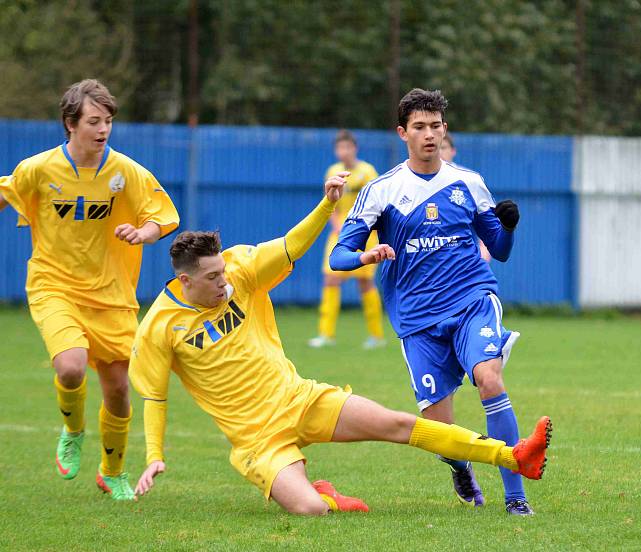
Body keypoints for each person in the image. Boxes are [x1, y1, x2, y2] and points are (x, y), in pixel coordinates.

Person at [128, 173, 550, 515]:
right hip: (258, 440)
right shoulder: (160, 325)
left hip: (301, 400)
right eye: (212, 278)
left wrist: (326, 205)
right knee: (311, 510)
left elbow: (292, 245)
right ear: (185, 281)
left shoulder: (240, 268)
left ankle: (514, 457)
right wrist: (154, 455)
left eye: (222, 272)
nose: (223, 282)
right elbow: (155, 398)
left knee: (400, 425)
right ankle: (325, 493)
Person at [330, 89, 542, 515]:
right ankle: (460, 465)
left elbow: (498, 250)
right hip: (417, 318)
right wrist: (366, 255)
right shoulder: (382, 190)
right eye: (420, 127)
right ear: (403, 132)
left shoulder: (469, 182)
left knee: (490, 379)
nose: (429, 134)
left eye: (436, 126)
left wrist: (508, 227)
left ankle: (516, 498)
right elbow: (338, 256)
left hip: (471, 300)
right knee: (440, 430)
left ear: (445, 130)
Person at [0, 79, 179, 500]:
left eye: (109, 121)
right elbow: (7, 191)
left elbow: (164, 215)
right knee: (71, 367)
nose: (103, 129)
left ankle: (111, 472)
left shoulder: (127, 172)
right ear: (70, 123)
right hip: (54, 285)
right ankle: (74, 429)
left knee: (118, 389)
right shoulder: (39, 169)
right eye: (94, 121)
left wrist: (143, 232)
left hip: (113, 295)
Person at [308, 130, 385, 349]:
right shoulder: (333, 171)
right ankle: (325, 334)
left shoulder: (367, 172)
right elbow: (329, 201)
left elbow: (377, 202)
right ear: (336, 150)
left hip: (365, 234)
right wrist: (336, 225)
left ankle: (377, 336)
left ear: (355, 149)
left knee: (365, 282)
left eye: (347, 147)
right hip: (339, 234)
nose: (344, 151)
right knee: (330, 278)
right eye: (340, 148)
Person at [439, 133, 491, 262]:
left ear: (453, 151)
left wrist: (484, 250)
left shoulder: (469, 181)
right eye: (436, 147)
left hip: (464, 261)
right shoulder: (420, 183)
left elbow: (486, 221)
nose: (439, 152)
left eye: (443, 147)